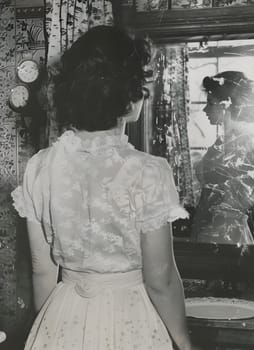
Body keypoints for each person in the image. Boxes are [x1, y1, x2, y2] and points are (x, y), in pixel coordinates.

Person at [11, 26, 192, 350]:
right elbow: (161, 278)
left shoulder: (41, 167)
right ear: (130, 94)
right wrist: (184, 341)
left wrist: (52, 325)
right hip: (130, 318)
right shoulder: (147, 171)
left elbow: (42, 271)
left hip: (63, 312)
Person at [191, 71, 254, 246]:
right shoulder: (226, 142)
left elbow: (243, 197)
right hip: (214, 231)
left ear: (226, 105)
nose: (205, 109)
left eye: (210, 103)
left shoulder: (240, 145)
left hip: (224, 236)